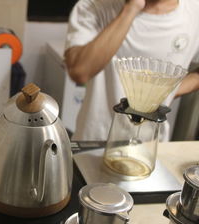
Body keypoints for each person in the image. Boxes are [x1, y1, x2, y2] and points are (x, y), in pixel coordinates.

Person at [64, 0, 199, 141]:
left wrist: (169, 90)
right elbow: (80, 71)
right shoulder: (93, 6)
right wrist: (131, 8)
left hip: (151, 144)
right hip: (94, 139)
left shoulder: (194, 12)